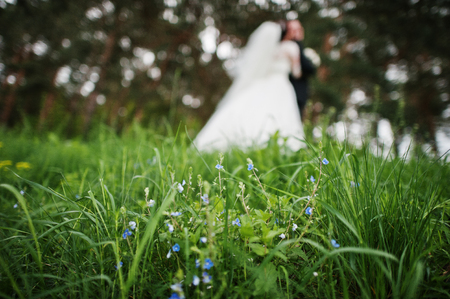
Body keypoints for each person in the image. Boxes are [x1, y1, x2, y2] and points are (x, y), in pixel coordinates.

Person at [193, 21, 304, 152]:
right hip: (281, 84)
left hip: (264, 83)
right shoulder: (291, 48)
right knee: (279, 114)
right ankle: (277, 148)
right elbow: (297, 73)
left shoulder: (271, 49)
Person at [285, 20, 317, 122]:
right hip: (294, 91)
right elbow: (305, 68)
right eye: (293, 29)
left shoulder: (288, 46)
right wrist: (311, 65)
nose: (296, 32)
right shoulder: (295, 45)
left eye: (298, 29)